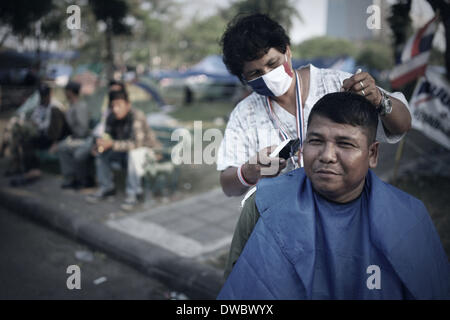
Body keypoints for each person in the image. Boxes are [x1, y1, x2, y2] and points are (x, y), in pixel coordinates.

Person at [218, 92, 450, 300]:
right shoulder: (263, 204)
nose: (327, 156)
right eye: (316, 141)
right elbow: (238, 286)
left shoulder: (408, 219)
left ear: (372, 154)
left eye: (345, 144)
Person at [217, 14, 412, 197]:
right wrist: (249, 171)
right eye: (255, 73)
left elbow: (402, 125)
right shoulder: (245, 114)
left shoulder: (339, 84)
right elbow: (228, 186)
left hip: (346, 206)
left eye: (273, 63)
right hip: (284, 217)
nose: (267, 75)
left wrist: (379, 100)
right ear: (243, 78)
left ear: (288, 51)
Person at [86, 89, 161, 210]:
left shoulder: (136, 116)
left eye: (119, 105)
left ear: (128, 104)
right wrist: (99, 145)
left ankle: (133, 194)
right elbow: (107, 137)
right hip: (124, 151)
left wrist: (111, 144)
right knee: (101, 153)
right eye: (113, 106)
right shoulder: (111, 116)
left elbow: (137, 143)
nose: (116, 109)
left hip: (148, 152)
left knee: (134, 153)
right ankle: (106, 188)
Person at [2, 83, 69, 183]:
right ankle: (22, 167)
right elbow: (34, 119)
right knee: (18, 134)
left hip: (48, 137)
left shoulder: (55, 108)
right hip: (38, 132)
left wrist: (56, 143)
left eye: (45, 95)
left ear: (50, 94)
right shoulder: (40, 105)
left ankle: (24, 167)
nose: (43, 98)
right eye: (42, 95)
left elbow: (56, 130)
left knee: (17, 129)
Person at [57, 81, 91, 189]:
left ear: (70, 92)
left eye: (66, 91)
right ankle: (70, 178)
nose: (65, 93)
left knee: (65, 147)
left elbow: (83, 130)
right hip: (76, 138)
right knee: (62, 147)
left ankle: (78, 179)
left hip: (83, 139)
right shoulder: (72, 106)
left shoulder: (80, 106)